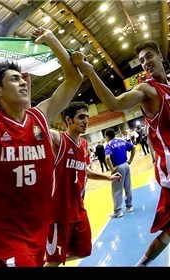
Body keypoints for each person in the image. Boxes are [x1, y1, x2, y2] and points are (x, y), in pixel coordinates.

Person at [0, 25, 82, 267]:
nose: (23, 83)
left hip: (37, 228)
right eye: (14, 79)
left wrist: (52, 39)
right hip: (4, 237)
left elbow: (75, 78)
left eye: (23, 78)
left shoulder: (40, 117)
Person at [72, 41, 170, 266]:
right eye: (142, 60)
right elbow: (114, 103)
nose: (145, 63)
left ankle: (142, 262)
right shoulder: (147, 90)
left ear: (160, 56)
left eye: (148, 56)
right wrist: (89, 71)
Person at [44, 101, 122, 267]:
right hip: (59, 213)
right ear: (68, 121)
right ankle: (48, 259)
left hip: (78, 209)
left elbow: (84, 171)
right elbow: (42, 131)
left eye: (87, 117)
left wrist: (107, 177)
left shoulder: (84, 145)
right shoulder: (59, 139)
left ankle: (49, 257)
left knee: (85, 250)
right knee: (54, 262)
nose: (86, 120)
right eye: (81, 117)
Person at [103, 128, 136, 218]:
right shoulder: (122, 141)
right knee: (128, 187)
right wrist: (130, 160)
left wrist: (112, 170)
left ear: (107, 137)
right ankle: (129, 206)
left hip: (118, 168)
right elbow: (133, 147)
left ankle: (117, 211)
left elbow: (107, 158)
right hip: (126, 165)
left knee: (117, 190)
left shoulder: (108, 144)